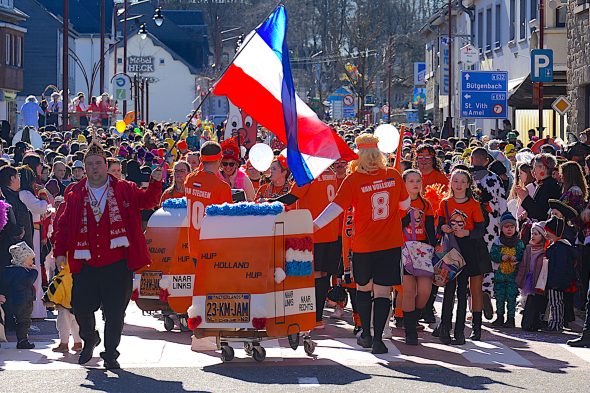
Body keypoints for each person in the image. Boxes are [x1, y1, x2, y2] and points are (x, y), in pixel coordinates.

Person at [53, 137, 163, 370]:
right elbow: (62, 226)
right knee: (81, 307)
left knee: (115, 313)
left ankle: (110, 353)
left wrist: (155, 182)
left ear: (106, 165)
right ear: (85, 167)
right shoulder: (74, 192)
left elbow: (148, 201)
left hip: (117, 263)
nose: (94, 167)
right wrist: (60, 251)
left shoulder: (124, 188)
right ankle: (90, 338)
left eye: (98, 163)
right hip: (86, 263)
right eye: (90, 164)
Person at [314, 133, 410, 354]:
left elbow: (335, 208)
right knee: (383, 292)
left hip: (364, 244)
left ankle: (365, 333)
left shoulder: (353, 179)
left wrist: (314, 225)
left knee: (364, 289)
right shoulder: (394, 176)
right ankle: (378, 339)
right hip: (390, 243)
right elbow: (405, 204)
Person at [272, 166, 340, 328]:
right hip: (330, 231)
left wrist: (268, 204)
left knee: (312, 274)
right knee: (323, 275)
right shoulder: (330, 172)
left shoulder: (308, 173)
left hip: (312, 231)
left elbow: (292, 197)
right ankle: (318, 318)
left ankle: (310, 317)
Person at [437, 168, 489, 345]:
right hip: (451, 250)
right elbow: (439, 225)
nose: (458, 185)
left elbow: (481, 230)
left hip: (469, 250)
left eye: (462, 181)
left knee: (462, 291)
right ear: (451, 182)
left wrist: (466, 232)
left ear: (468, 185)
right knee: (448, 290)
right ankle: (445, 328)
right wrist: (443, 228)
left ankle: (460, 331)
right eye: (455, 181)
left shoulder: (474, 204)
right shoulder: (445, 203)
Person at [400, 169, 436, 345]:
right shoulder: (398, 203)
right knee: (408, 290)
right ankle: (410, 330)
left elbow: (430, 229)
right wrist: (408, 218)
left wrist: (435, 245)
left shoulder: (426, 204)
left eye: (418, 180)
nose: (415, 184)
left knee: (424, 290)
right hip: (404, 249)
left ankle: (413, 317)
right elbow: (394, 225)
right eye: (411, 180)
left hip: (422, 250)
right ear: (404, 183)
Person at [184, 141, 233, 261]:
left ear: (200, 159)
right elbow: (228, 221)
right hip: (213, 248)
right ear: (220, 159)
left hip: (194, 246)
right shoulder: (222, 187)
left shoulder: (189, 179)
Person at [0, 241, 38, 349]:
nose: (32, 262)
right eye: (31, 259)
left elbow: (4, 284)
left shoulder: (8, 271)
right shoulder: (24, 272)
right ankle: (22, 340)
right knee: (24, 321)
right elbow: (29, 281)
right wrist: (34, 271)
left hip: (11, 300)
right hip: (24, 300)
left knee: (10, 319)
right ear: (24, 260)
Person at [490, 212, 525, 328]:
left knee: (511, 298)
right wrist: (501, 257)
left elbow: (522, 255)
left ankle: (511, 319)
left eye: (512, 227)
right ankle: (500, 316)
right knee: (499, 297)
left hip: (513, 277)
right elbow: (492, 255)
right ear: (501, 228)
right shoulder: (497, 242)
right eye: (506, 227)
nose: (509, 229)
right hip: (499, 276)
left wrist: (517, 258)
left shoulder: (519, 243)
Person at [543, 216, 577, 332]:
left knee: (556, 303)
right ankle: (555, 323)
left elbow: (559, 267)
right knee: (555, 303)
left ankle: (556, 324)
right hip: (556, 280)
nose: (546, 234)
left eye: (548, 232)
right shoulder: (558, 246)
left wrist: (555, 282)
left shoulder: (559, 248)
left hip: (556, 281)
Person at [517, 222, 549, 331]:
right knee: (530, 300)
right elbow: (523, 265)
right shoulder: (528, 248)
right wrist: (520, 279)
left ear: (542, 236)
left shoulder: (545, 251)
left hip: (539, 280)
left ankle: (535, 323)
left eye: (536, 234)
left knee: (537, 302)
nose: (533, 236)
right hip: (529, 278)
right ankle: (527, 323)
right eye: (532, 233)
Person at [517, 153, 561, 222]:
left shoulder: (548, 186)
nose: (533, 170)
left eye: (534, 167)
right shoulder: (545, 183)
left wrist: (525, 198)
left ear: (542, 168)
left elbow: (540, 214)